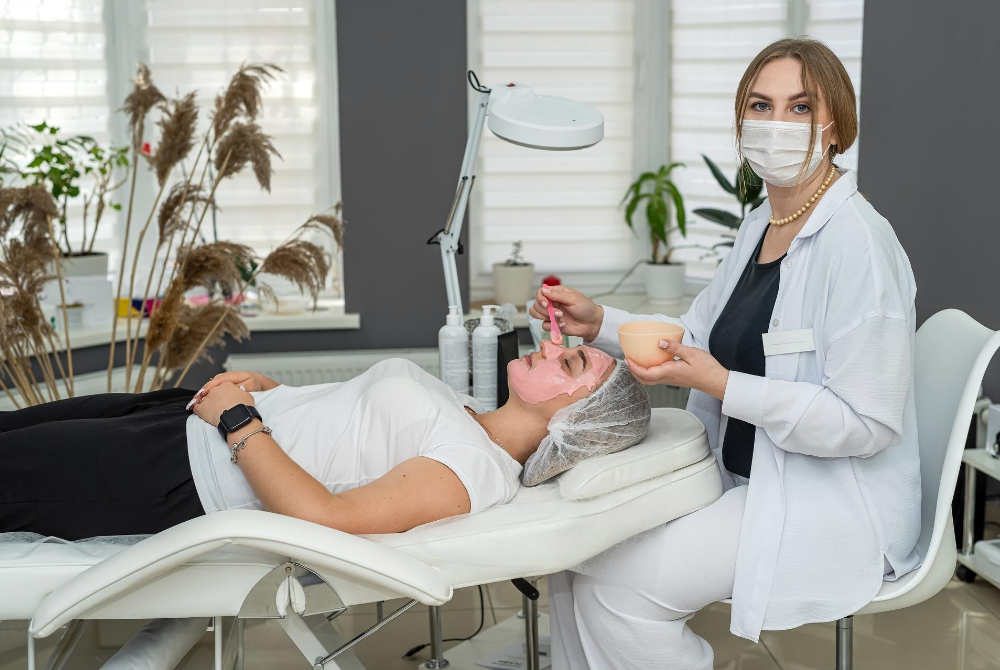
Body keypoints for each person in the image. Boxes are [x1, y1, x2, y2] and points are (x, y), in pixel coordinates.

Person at [531, 37, 921, 669]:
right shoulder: (759, 228)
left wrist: (726, 386)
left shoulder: (859, 247)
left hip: (829, 502)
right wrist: (598, 320)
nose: (776, 125)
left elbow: (866, 423)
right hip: (746, 476)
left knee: (618, 591)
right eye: (760, 106)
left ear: (834, 125)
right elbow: (694, 334)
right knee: (577, 561)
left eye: (799, 108)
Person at [0, 341, 650, 541]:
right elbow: (348, 435)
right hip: (178, 420)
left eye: (570, 366)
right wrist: (270, 391)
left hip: (172, 474)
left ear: (576, 417)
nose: (553, 346)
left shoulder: (470, 474)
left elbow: (326, 516)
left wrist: (240, 422)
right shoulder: (469, 416)